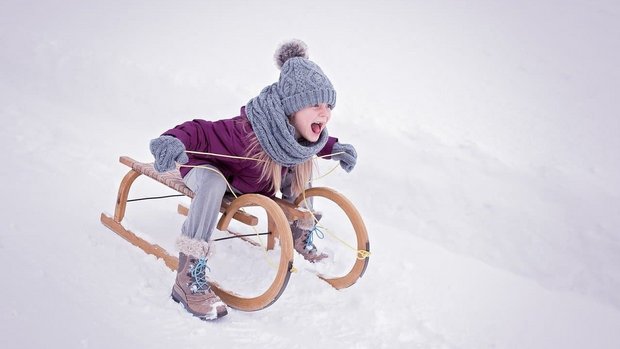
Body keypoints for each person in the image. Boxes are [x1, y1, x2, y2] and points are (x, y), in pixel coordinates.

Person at [149, 39, 357, 321]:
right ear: (292, 108)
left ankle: (298, 230)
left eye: (328, 105)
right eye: (316, 104)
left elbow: (315, 143)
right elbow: (200, 131)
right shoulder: (245, 134)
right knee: (212, 182)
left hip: (247, 181)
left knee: (300, 162)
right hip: (205, 169)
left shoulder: (292, 135)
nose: (325, 112)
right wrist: (172, 140)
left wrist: (336, 148)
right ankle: (188, 275)